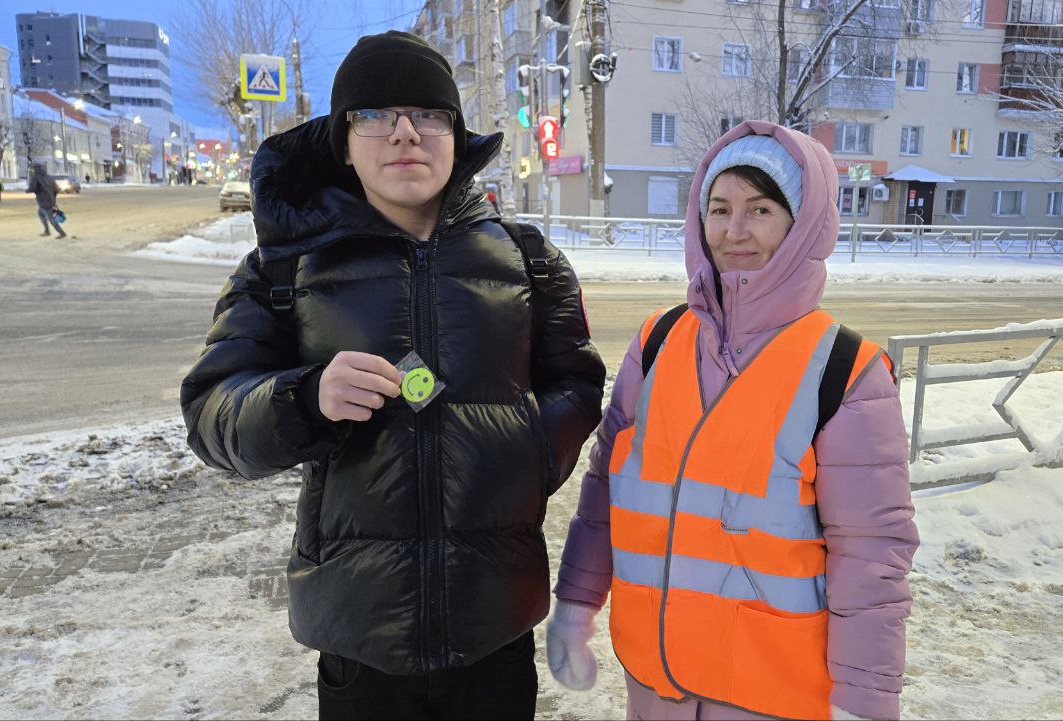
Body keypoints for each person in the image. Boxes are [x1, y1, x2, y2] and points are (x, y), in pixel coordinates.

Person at [180, 31, 605, 720]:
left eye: (428, 114)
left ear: (455, 134)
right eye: (375, 115)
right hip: (361, 646)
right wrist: (304, 400)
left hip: (494, 632)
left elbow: (579, 385)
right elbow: (212, 412)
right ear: (343, 140)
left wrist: (526, 449)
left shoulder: (529, 261)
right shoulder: (285, 269)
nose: (405, 132)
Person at [546, 121, 919, 721]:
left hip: (771, 696)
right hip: (655, 687)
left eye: (761, 209)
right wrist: (576, 603)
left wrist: (866, 702)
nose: (734, 231)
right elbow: (605, 493)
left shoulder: (845, 372)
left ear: (803, 225)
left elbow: (872, 557)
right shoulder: (658, 342)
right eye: (719, 209)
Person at [26, 163, 65, 238]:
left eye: (32, 169)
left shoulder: (36, 177)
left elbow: (32, 188)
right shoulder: (49, 177)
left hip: (44, 201)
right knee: (41, 214)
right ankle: (47, 231)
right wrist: (52, 197)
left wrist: (27, 190)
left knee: (50, 218)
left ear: (35, 169)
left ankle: (61, 232)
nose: (32, 170)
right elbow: (56, 189)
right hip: (50, 200)